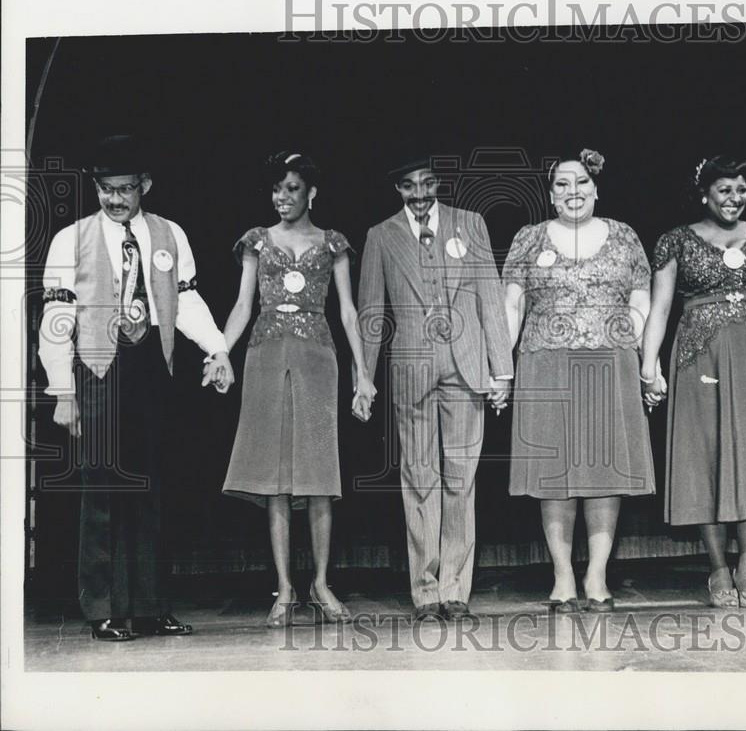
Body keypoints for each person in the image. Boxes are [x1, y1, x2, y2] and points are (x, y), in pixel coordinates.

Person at [39, 133, 235, 641]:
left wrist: (217, 349)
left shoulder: (170, 234)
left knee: (149, 487)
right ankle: (103, 608)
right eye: (106, 189)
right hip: (98, 369)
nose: (115, 199)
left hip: (152, 366)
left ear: (144, 185)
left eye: (125, 188)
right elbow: (57, 317)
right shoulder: (71, 239)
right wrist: (62, 389)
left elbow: (187, 301)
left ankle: (149, 606)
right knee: (103, 487)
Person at [641, 155, 746, 609]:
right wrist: (648, 364)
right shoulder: (676, 240)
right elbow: (659, 308)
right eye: (725, 191)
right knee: (705, 458)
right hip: (700, 357)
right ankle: (717, 567)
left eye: (741, 190)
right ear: (704, 195)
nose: (735, 199)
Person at [217, 151, 375, 627]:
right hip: (266, 356)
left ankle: (320, 583)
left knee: (319, 474)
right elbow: (243, 306)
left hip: (316, 360)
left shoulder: (333, 244)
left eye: (291, 189)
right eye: (276, 190)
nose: (281, 198)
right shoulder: (257, 241)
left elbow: (348, 312)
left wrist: (362, 373)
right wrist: (220, 349)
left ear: (311, 193)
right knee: (275, 478)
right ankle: (285, 588)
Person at [356, 156, 513, 621]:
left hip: (467, 368)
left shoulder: (471, 225)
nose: (420, 194)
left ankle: (455, 590)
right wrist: (363, 380)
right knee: (420, 480)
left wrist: (500, 371)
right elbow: (370, 314)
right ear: (398, 190)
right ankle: (425, 591)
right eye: (409, 186)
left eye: (427, 184)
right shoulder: (381, 237)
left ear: (438, 183)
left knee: (461, 481)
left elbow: (490, 297)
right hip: (412, 372)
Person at [503, 149, 656, 613]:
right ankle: (563, 572)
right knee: (554, 474)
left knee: (604, 470)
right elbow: (511, 305)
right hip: (544, 362)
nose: (574, 192)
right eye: (563, 185)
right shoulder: (529, 239)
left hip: (610, 360)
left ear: (596, 188)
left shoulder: (624, 236)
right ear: (551, 195)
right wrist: (501, 365)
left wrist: (635, 345)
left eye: (582, 183)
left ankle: (597, 573)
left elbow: (642, 300)